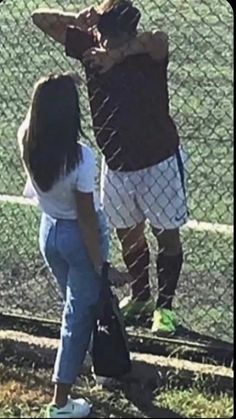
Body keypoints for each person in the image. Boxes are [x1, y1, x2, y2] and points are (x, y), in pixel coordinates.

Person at [31, 0, 188, 335]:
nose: (98, 38)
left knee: (167, 235)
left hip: (158, 161)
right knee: (128, 232)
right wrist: (75, 18)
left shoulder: (147, 54)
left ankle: (166, 308)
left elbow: (158, 38)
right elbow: (39, 19)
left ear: (121, 32)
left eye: (103, 31)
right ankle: (142, 296)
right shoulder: (90, 46)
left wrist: (116, 56)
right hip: (116, 163)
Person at [18, 74, 128, 419]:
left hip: (49, 233)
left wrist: (63, 83)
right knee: (76, 320)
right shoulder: (81, 157)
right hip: (79, 241)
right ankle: (61, 403)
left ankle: (103, 369)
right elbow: (85, 219)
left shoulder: (27, 137)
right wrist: (103, 267)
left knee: (78, 308)